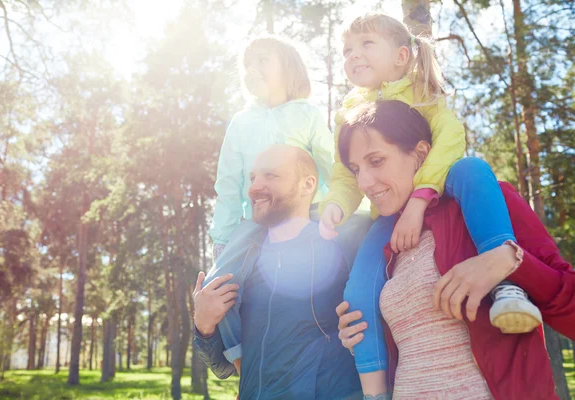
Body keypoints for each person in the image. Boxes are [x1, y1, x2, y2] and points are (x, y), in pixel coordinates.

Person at [316, 13, 541, 398]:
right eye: (347, 50)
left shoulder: (421, 96)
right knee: (357, 292)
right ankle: (373, 391)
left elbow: (450, 143)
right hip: (389, 214)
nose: (353, 55)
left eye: (366, 44)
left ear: (402, 56)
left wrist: (421, 197)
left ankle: (505, 286)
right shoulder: (349, 113)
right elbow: (344, 174)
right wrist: (337, 203)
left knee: (471, 169)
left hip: (442, 182)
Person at [336, 100, 575, 399]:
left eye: (376, 161)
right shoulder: (383, 241)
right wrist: (359, 334)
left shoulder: (485, 203)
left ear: (420, 153)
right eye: (356, 169)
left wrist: (511, 261)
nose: (364, 182)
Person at [194, 144, 362, 400]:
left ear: (308, 185)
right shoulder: (244, 260)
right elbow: (223, 367)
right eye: (253, 178)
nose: (254, 187)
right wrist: (203, 325)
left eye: (270, 175)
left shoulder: (343, 245)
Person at [210, 35, 334, 261]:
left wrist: (351, 211)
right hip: (258, 224)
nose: (252, 69)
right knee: (225, 285)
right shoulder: (240, 122)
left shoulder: (307, 115)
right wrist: (222, 240)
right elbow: (228, 184)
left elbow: (333, 169)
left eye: (263, 60)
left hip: (307, 220)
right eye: (247, 64)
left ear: (288, 68)